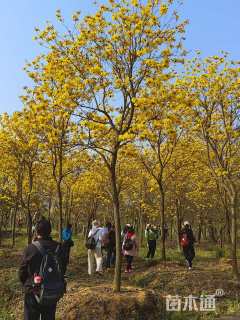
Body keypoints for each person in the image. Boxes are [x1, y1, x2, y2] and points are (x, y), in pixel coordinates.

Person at [19, 218, 64, 320]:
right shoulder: (58, 248)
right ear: (50, 231)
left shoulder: (30, 248)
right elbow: (62, 268)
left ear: (36, 231)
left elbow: (22, 272)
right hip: (52, 290)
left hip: (33, 290)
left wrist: (26, 284)